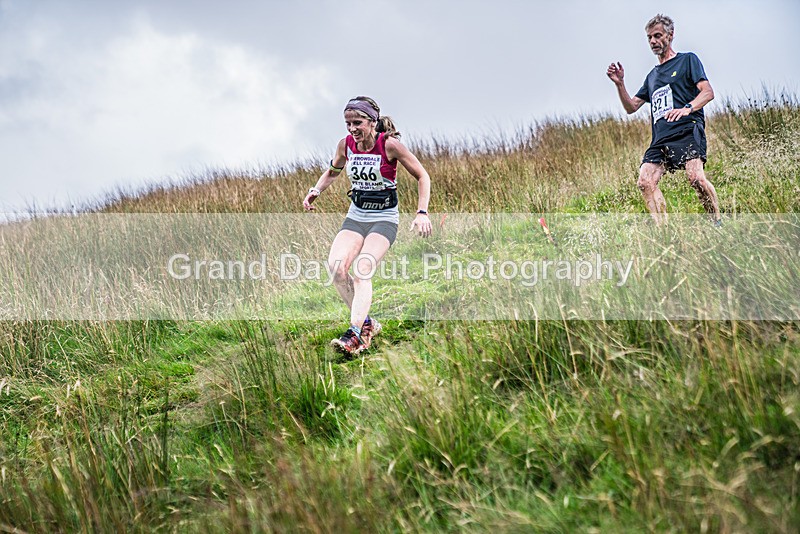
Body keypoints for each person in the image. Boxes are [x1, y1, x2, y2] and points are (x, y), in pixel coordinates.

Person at [303, 96, 432, 355]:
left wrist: (421, 212)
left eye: (357, 123)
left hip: (384, 218)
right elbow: (333, 171)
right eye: (348, 123)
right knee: (336, 268)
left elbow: (422, 175)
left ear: (372, 122)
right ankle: (368, 324)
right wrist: (316, 190)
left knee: (362, 270)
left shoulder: (390, 145)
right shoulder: (346, 145)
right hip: (357, 216)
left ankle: (355, 334)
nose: (352, 129)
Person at [607, 14, 721, 225]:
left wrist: (687, 108)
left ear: (670, 35)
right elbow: (632, 107)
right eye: (649, 37)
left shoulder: (688, 60)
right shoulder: (652, 76)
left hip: (688, 130)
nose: (652, 41)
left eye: (657, 35)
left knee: (696, 179)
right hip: (661, 139)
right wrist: (620, 84)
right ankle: (664, 231)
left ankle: (717, 223)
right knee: (645, 182)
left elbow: (708, 92)